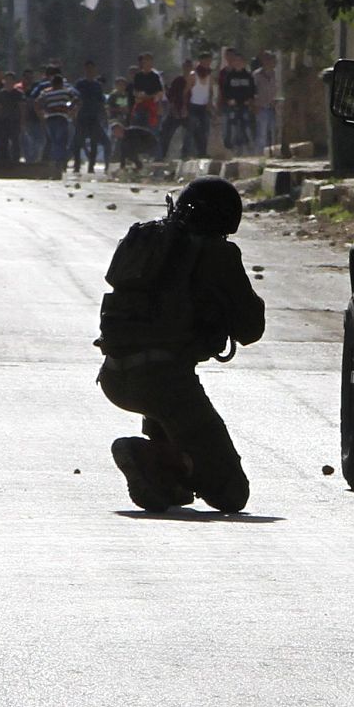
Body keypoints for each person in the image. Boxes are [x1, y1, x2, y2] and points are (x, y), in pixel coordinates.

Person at [98, 176, 265, 512]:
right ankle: (152, 453)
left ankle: (165, 468)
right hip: (166, 383)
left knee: (174, 485)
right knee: (232, 494)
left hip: (115, 376)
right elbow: (250, 328)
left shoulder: (142, 239)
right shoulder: (216, 252)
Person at [36, 70, 80, 172]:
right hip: (62, 118)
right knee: (61, 142)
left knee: (53, 141)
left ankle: (55, 163)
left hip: (50, 119)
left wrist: (42, 115)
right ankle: (60, 164)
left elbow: (37, 102)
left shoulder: (46, 92)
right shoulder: (66, 91)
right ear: (61, 83)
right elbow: (77, 100)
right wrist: (72, 111)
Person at [73, 60, 110, 174]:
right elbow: (74, 98)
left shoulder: (97, 85)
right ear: (85, 70)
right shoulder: (80, 84)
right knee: (78, 142)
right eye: (88, 69)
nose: (90, 71)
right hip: (82, 116)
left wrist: (104, 117)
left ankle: (91, 166)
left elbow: (101, 102)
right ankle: (77, 165)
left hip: (94, 117)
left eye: (92, 69)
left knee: (95, 142)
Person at [220, 49, 256, 153]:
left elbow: (252, 90)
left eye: (240, 61)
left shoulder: (248, 76)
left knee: (246, 127)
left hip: (245, 106)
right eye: (236, 61)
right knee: (233, 127)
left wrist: (250, 100)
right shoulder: (229, 76)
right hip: (233, 106)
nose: (238, 63)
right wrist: (229, 100)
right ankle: (234, 149)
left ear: (244, 63)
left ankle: (248, 147)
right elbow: (225, 90)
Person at [158, 59, 193, 161]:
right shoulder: (178, 80)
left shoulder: (194, 81)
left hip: (188, 112)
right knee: (166, 134)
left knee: (191, 132)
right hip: (176, 112)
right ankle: (161, 156)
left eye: (189, 67)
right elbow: (171, 96)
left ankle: (186, 154)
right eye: (186, 67)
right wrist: (174, 110)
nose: (187, 69)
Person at [185, 53, 215, 158]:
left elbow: (211, 91)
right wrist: (185, 106)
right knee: (191, 130)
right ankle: (186, 152)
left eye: (209, 61)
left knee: (205, 130)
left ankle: (202, 152)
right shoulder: (193, 75)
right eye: (206, 60)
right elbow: (187, 91)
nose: (208, 63)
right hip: (194, 105)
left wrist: (210, 102)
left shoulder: (210, 75)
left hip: (204, 106)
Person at [0, 69, 25, 166]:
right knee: (3, 141)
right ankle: (2, 161)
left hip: (14, 120)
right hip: (4, 120)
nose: (8, 82)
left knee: (15, 141)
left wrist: (22, 122)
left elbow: (22, 108)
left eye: (11, 80)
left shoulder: (18, 93)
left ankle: (15, 160)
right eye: (7, 79)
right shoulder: (1, 93)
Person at [251, 50, 279, 154]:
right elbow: (252, 90)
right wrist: (254, 105)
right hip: (261, 106)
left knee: (273, 132)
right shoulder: (257, 75)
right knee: (261, 132)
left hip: (273, 107)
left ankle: (272, 153)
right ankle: (259, 154)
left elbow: (277, 89)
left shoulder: (275, 74)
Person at [130, 53, 165, 132]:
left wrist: (158, 104)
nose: (147, 62)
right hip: (140, 104)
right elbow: (135, 90)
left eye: (149, 60)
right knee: (137, 127)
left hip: (151, 105)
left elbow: (159, 92)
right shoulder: (138, 76)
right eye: (145, 60)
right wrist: (138, 96)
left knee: (151, 129)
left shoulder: (155, 76)